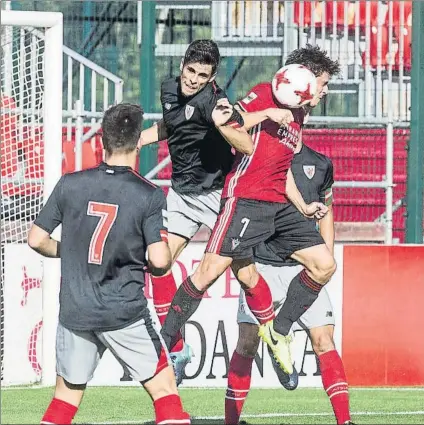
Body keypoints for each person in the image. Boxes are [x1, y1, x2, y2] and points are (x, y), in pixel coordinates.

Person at [160, 45, 340, 375]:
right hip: (246, 199)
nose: (325, 91)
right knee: (206, 275)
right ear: (304, 79)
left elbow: (281, 165)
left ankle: (279, 330)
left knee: (325, 264)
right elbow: (227, 121)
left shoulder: (298, 113)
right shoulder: (264, 94)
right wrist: (267, 115)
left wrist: (302, 204)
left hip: (280, 206)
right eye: (323, 83)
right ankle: (163, 344)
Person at [138, 39, 293, 384]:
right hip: (181, 194)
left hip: (216, 196)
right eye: (190, 71)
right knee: (158, 263)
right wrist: (136, 140)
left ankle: (276, 335)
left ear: (211, 78)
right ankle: (178, 350)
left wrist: (252, 118)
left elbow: (245, 140)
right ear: (182, 65)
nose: (192, 80)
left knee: (246, 275)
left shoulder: (215, 100)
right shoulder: (168, 87)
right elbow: (172, 124)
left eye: (201, 75)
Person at [28, 103, 190, 425]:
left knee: (65, 399)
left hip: (76, 311)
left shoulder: (69, 184)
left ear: (102, 140)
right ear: (138, 145)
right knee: (165, 390)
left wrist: (69, 251)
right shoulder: (148, 194)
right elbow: (159, 262)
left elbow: (35, 239)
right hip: (123, 314)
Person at [226, 139, 354, 425]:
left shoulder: (320, 163)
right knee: (247, 343)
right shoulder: (260, 157)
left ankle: (344, 421)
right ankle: (230, 422)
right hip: (263, 267)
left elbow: (327, 211)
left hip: (302, 269)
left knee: (324, 341)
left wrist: (325, 256)